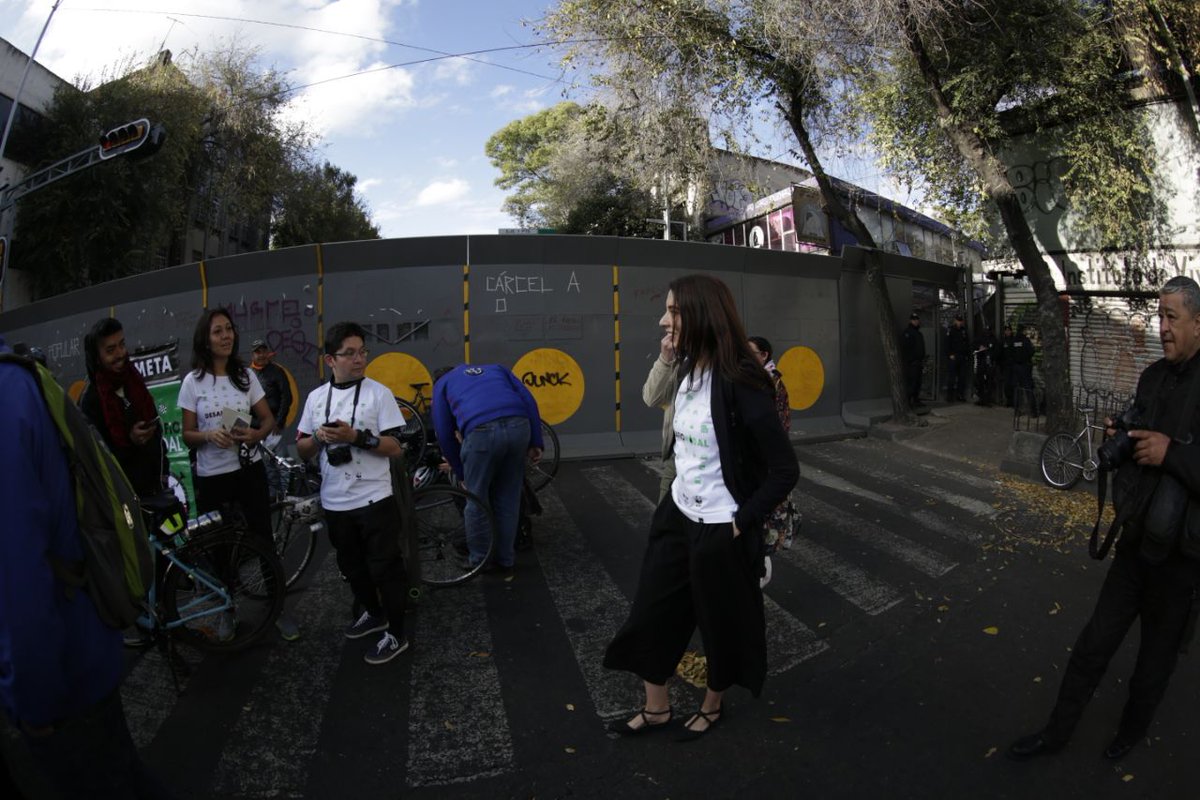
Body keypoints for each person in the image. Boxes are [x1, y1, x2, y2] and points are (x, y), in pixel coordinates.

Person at [1008, 276, 1200, 762]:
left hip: (1181, 565)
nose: (1162, 328)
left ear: (1199, 323)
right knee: (1094, 644)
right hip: (1135, 547)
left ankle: (1130, 733)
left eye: (1171, 318)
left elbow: (1171, 456)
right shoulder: (1153, 376)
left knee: (1153, 665)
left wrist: (1171, 453)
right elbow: (1139, 436)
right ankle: (1055, 734)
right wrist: (1124, 436)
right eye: (1158, 317)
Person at [603, 274, 799, 741]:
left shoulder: (742, 379)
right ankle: (657, 709)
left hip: (720, 525)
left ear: (701, 315)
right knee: (653, 610)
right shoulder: (687, 366)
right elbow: (652, 398)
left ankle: (713, 705)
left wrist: (739, 523)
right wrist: (669, 353)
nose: (663, 319)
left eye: (672, 311)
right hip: (676, 512)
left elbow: (783, 469)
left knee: (719, 620)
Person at [0, 335, 173, 799]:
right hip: (80, 651)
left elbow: (17, 579)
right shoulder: (19, 380)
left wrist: (33, 705)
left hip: (58, 679)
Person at [178, 309, 299, 642]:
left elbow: (268, 419)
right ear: (205, 338)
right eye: (218, 331)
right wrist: (208, 436)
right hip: (211, 477)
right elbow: (187, 433)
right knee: (218, 549)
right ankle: (226, 614)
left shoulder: (246, 376)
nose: (226, 336)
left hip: (248, 471)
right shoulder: (193, 382)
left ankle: (277, 609)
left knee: (263, 539)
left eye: (229, 329)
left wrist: (256, 436)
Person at [296, 322, 411, 665]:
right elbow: (301, 449)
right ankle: (375, 614)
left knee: (385, 569)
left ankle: (397, 633)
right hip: (335, 501)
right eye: (350, 353)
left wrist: (356, 438)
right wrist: (319, 438)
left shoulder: (379, 393)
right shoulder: (317, 398)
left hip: (375, 498)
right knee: (352, 568)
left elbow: (396, 448)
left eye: (363, 351)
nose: (359, 359)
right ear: (330, 359)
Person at [431, 363, 544, 573]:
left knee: (476, 500)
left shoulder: (442, 385)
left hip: (481, 432)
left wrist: (459, 470)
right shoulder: (496, 369)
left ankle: (480, 561)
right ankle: (505, 560)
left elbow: (444, 432)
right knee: (508, 498)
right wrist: (536, 441)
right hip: (519, 425)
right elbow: (529, 400)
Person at [79, 317, 169, 499]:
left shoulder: (134, 381)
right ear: (97, 357)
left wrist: (163, 472)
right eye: (110, 350)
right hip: (121, 498)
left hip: (155, 490)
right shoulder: (92, 400)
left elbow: (156, 430)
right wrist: (131, 442)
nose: (120, 354)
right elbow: (98, 459)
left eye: (122, 345)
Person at [748, 335, 795, 562]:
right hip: (756, 456)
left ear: (764, 355)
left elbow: (778, 424)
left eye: (751, 353)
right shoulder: (753, 379)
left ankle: (764, 557)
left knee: (769, 509)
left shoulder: (773, 383)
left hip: (767, 457)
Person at [249, 338, 293, 500]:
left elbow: (286, 397)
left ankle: (288, 496)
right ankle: (274, 498)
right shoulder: (248, 374)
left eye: (263, 351)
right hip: (257, 429)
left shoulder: (276, 371)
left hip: (274, 427)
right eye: (257, 351)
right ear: (252, 354)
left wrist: (279, 422)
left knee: (282, 462)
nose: (261, 355)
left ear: (268, 352)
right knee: (267, 466)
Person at [1009, 324, 1038, 417]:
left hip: (1016, 367)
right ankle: (1033, 412)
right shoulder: (1025, 340)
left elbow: (1010, 352)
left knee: (1017, 389)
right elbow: (1031, 351)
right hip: (1025, 367)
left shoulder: (1014, 340)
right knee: (1028, 389)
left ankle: (1017, 411)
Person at [900, 312, 926, 407]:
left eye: (917, 320)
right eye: (914, 320)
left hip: (918, 362)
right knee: (911, 382)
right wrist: (910, 360)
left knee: (918, 382)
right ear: (911, 320)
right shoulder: (907, 332)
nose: (916, 321)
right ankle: (908, 402)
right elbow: (905, 348)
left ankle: (916, 400)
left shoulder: (918, 333)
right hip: (911, 363)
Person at [945, 313, 970, 402]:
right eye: (958, 321)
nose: (959, 323)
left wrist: (966, 355)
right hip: (954, 356)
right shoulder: (951, 330)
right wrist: (950, 354)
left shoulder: (964, 331)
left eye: (961, 321)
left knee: (962, 377)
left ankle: (960, 395)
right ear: (955, 321)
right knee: (951, 377)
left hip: (962, 357)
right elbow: (947, 344)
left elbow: (966, 344)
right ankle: (949, 396)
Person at [972, 327, 997, 407]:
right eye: (986, 331)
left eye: (988, 331)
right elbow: (973, 345)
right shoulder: (980, 338)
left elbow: (997, 350)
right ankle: (981, 399)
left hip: (989, 363)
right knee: (980, 381)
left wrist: (991, 355)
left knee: (989, 382)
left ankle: (988, 400)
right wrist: (980, 348)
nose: (987, 332)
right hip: (981, 362)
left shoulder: (993, 339)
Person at [999, 323, 1015, 406]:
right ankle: (1008, 400)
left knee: (1014, 383)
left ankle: (1013, 400)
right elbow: (1000, 353)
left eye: (1009, 330)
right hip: (1006, 366)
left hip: (1014, 365)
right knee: (1007, 384)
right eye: (1006, 330)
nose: (1007, 332)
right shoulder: (1003, 341)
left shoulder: (1014, 340)